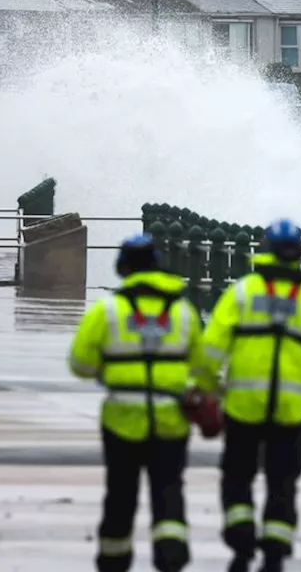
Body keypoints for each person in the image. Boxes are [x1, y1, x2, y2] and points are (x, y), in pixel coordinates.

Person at [195, 219, 301, 572]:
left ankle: (242, 543)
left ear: (264, 250)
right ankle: (275, 553)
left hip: (243, 407)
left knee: (237, 478)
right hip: (292, 411)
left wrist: (212, 389)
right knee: (283, 482)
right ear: (299, 254)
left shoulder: (244, 292)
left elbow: (210, 350)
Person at [68, 235, 207, 572]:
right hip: (171, 420)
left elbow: (80, 363)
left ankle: (114, 561)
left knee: (120, 494)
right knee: (168, 491)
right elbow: (202, 367)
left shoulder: (108, 310)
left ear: (123, 267)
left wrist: (108, 368)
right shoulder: (183, 311)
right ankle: (171, 557)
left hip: (121, 420)